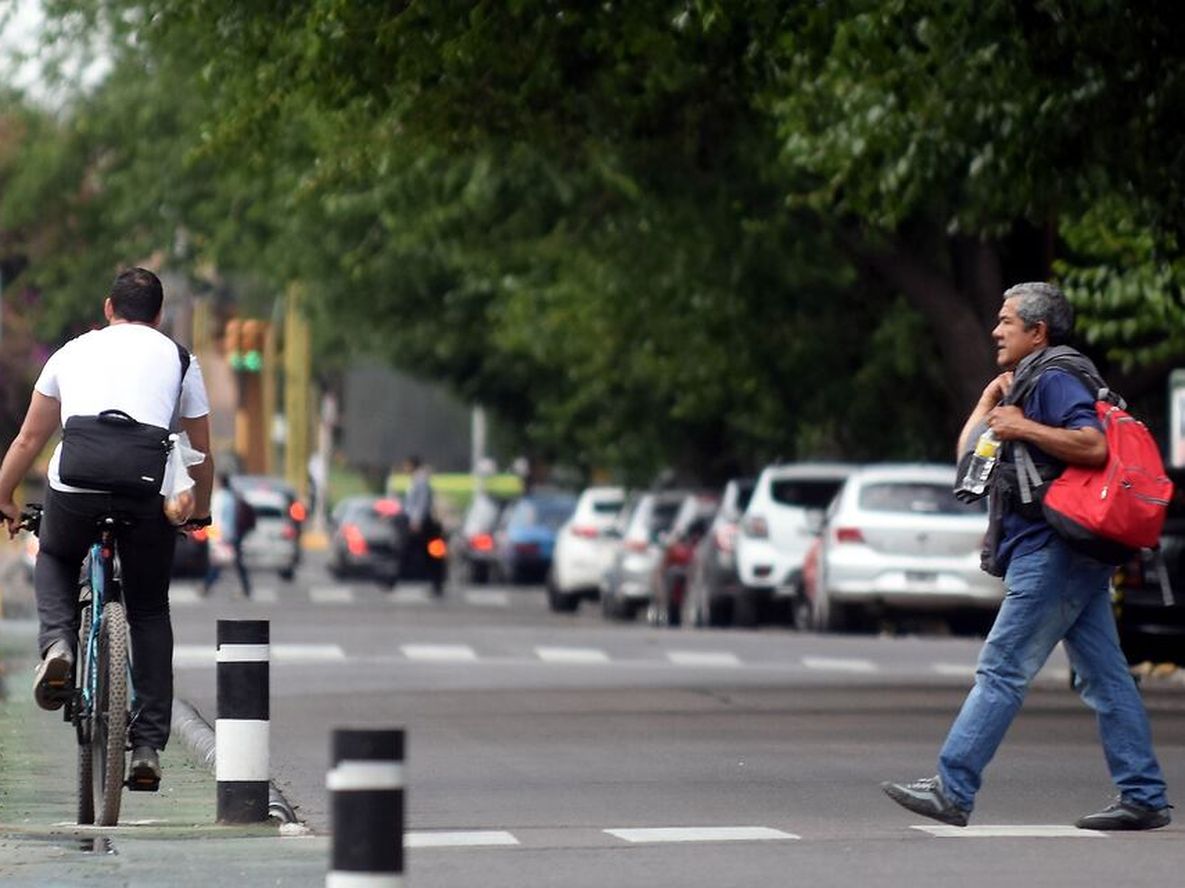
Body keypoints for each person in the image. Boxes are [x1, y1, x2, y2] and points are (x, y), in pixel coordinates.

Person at [882, 282, 1171, 831]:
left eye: (1006, 321)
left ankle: (953, 788)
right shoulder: (1025, 382)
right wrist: (990, 404)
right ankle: (1143, 794)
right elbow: (969, 460)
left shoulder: (1056, 376)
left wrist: (1022, 426)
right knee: (1104, 677)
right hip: (1061, 552)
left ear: (1037, 332)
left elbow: (1093, 444)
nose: (996, 331)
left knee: (1002, 669)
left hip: (1052, 550)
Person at [0, 267, 213, 789]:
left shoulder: (70, 353)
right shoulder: (180, 359)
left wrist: (3, 496)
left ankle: (59, 645)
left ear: (108, 308)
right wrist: (200, 510)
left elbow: (28, 439)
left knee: (54, 556)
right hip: (146, 490)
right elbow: (202, 453)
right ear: (158, 317)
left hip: (76, 485)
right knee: (148, 609)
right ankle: (147, 747)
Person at [203, 473, 252, 598]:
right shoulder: (230, 497)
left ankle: (207, 586)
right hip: (231, 534)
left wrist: (216, 536)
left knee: (220, 562)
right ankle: (245, 588)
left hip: (222, 535)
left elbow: (217, 518)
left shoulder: (219, 498)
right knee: (229, 562)